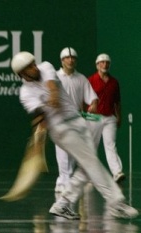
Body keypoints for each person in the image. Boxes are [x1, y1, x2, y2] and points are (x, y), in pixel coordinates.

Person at [10, 51, 138, 220]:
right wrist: (39, 139)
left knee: (87, 166)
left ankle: (62, 204)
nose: (35, 67)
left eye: (34, 63)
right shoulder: (25, 94)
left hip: (78, 121)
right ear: (22, 74)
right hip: (61, 130)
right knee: (90, 161)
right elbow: (40, 118)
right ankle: (116, 203)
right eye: (30, 67)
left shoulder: (46, 66)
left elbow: (53, 92)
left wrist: (48, 103)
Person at [54, 47, 98, 193]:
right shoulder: (54, 77)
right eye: (67, 58)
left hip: (76, 121)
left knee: (72, 155)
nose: (71, 60)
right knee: (63, 153)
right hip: (59, 121)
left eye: (73, 58)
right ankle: (65, 183)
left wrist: (93, 104)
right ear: (62, 60)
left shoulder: (81, 79)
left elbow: (92, 98)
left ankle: (62, 182)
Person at [87, 53, 125, 183]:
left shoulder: (114, 82)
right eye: (102, 62)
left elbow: (117, 102)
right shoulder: (91, 80)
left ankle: (117, 172)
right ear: (97, 65)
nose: (105, 65)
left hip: (110, 118)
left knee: (111, 145)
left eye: (107, 62)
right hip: (94, 117)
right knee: (92, 145)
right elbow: (84, 99)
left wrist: (119, 116)